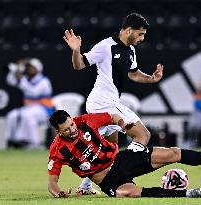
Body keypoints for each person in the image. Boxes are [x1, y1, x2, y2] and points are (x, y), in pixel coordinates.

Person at [63, 13, 163, 194]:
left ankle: (85, 186)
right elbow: (79, 65)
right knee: (143, 135)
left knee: (108, 150)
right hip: (102, 103)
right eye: (140, 34)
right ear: (129, 30)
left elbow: (133, 73)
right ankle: (122, 172)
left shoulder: (131, 50)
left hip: (108, 103)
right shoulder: (105, 46)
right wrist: (76, 50)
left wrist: (150, 79)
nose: (142, 38)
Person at [47, 110, 201, 198]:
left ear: (73, 119)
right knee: (127, 193)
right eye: (66, 129)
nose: (72, 130)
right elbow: (52, 181)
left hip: (122, 159)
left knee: (171, 153)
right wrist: (57, 192)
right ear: (58, 132)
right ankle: (188, 194)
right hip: (107, 181)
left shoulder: (85, 121)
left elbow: (112, 116)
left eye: (71, 124)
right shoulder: (58, 150)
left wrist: (122, 124)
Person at [5, 58, 55, 149]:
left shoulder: (44, 81)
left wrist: (21, 80)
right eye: (28, 67)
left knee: (27, 115)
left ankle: (33, 143)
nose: (29, 69)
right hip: (29, 108)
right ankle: (11, 140)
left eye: (31, 67)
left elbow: (33, 92)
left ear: (38, 68)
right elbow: (10, 80)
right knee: (12, 115)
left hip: (44, 110)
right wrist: (15, 70)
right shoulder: (25, 79)